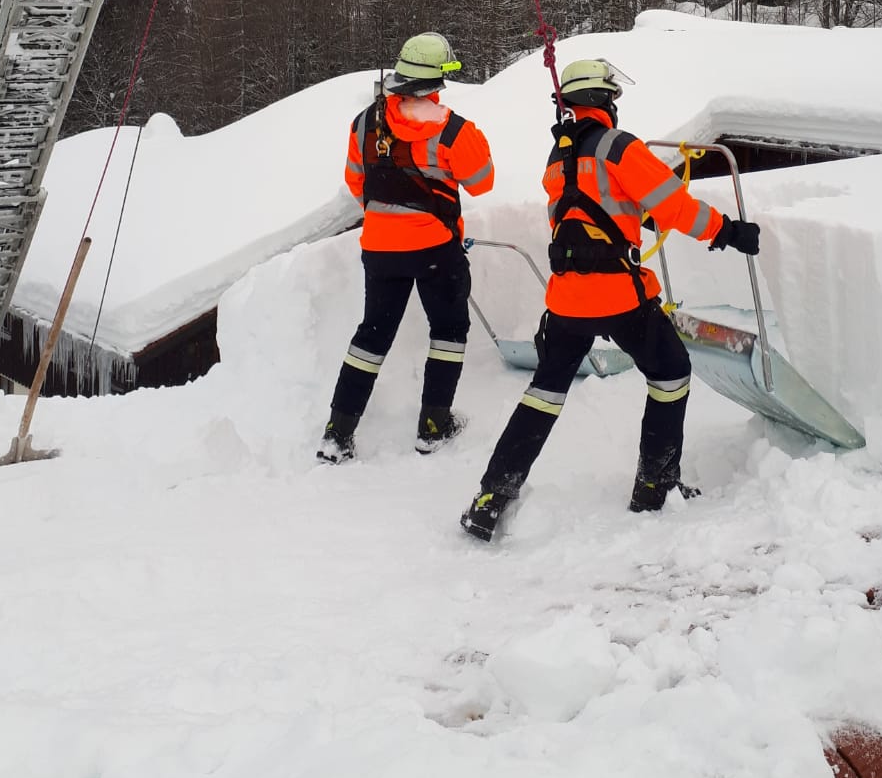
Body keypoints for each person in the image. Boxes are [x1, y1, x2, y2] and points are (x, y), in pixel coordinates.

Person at [459, 58, 760, 541]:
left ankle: (491, 496)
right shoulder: (620, 147)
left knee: (544, 394)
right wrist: (726, 231)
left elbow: (582, 212)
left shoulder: (558, 159)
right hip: (620, 293)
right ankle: (654, 484)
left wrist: (627, 218)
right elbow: (674, 205)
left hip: (566, 300)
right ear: (604, 102)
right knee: (671, 373)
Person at [317, 32, 495, 463]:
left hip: (378, 247)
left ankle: (337, 433)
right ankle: (433, 427)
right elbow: (482, 181)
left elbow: (356, 181)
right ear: (437, 81)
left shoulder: (364, 122)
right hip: (436, 247)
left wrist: (387, 218)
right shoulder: (454, 129)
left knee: (372, 336)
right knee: (449, 331)